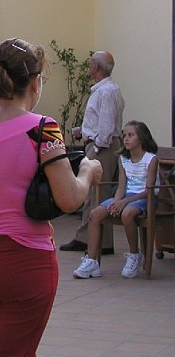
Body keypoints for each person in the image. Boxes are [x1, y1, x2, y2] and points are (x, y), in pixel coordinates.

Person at [0, 37, 101, 356]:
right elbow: (69, 199)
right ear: (35, 82)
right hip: (25, 265)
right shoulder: (42, 128)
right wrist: (88, 171)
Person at [73, 120, 159, 279]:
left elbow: (148, 190)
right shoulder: (123, 159)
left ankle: (134, 255)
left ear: (141, 138)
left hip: (144, 197)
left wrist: (123, 202)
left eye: (131, 135)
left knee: (127, 214)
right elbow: (121, 187)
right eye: (124, 135)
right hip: (126, 196)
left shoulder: (150, 159)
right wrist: (115, 202)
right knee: (95, 214)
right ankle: (92, 261)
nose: (126, 138)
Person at [60, 50, 125, 254]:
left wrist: (95, 147)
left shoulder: (106, 91)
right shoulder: (105, 89)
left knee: (96, 194)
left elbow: (106, 129)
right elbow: (102, 122)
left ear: (96, 67)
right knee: (93, 194)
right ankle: (92, 240)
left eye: (90, 64)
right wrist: (83, 131)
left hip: (102, 147)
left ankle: (95, 242)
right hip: (99, 144)